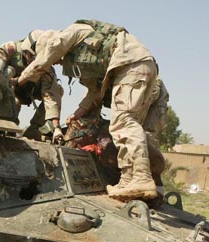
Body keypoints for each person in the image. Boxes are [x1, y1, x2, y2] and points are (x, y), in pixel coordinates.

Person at [14, 19, 160, 201]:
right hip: (138, 66)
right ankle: (128, 180)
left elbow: (41, 63)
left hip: (132, 65)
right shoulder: (79, 56)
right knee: (124, 126)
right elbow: (95, 91)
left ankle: (141, 177)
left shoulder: (69, 33)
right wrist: (78, 113)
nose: (57, 63)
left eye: (56, 60)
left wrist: (18, 82)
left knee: (123, 122)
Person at [0, 30, 64, 142]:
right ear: (26, 51)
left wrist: (56, 128)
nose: (34, 62)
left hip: (30, 91)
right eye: (33, 57)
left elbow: (51, 98)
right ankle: (9, 128)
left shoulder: (46, 69)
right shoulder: (12, 49)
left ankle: (34, 128)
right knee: (15, 101)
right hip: (9, 90)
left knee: (58, 90)